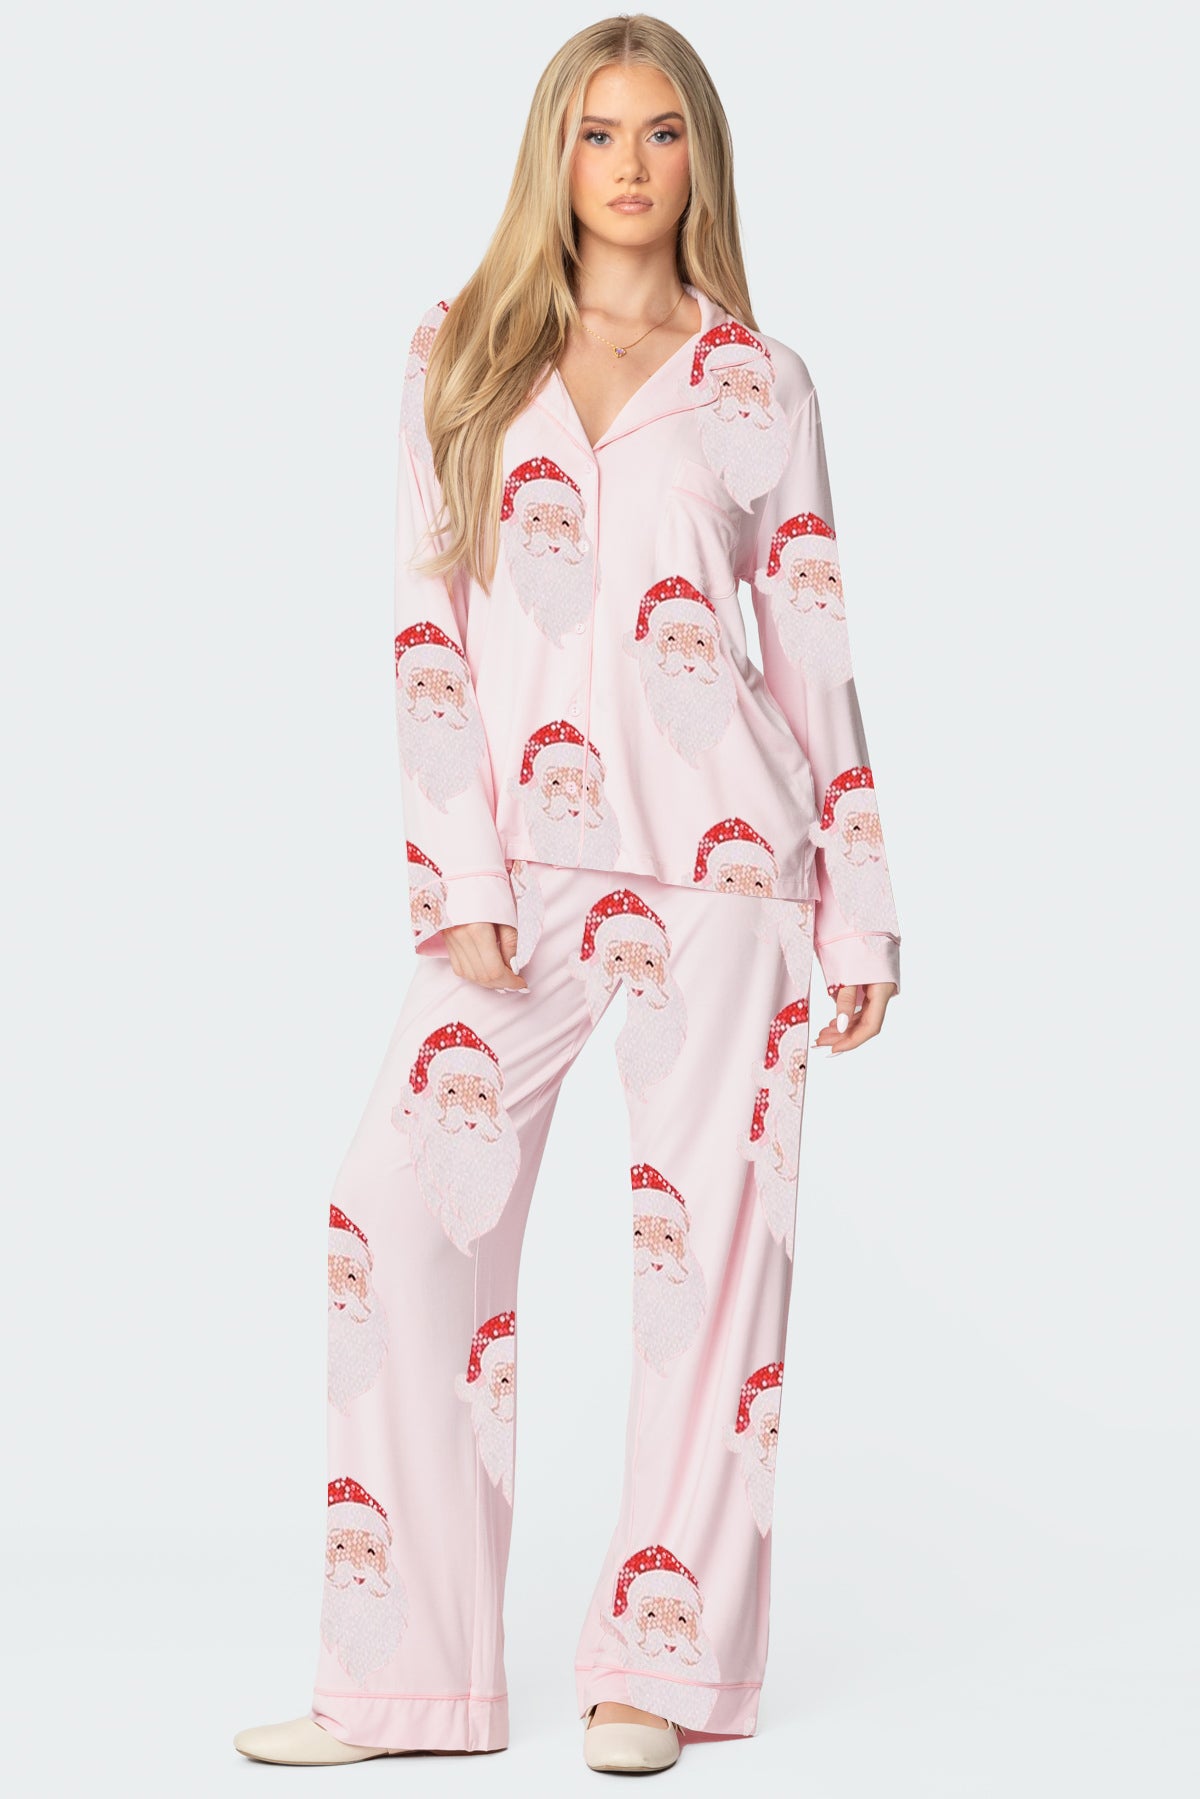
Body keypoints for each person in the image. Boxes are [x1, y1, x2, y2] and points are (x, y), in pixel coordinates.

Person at [234, 12, 902, 1778]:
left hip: (732, 867)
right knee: (391, 1210)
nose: (628, 164)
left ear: (700, 158)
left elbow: (813, 644)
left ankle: (657, 1671)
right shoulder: (458, 350)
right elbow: (426, 632)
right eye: (598, 132)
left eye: (661, 132)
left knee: (714, 1267)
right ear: (555, 152)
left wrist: (860, 902)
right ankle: (407, 1686)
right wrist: (454, 871)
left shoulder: (759, 381)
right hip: (522, 877)